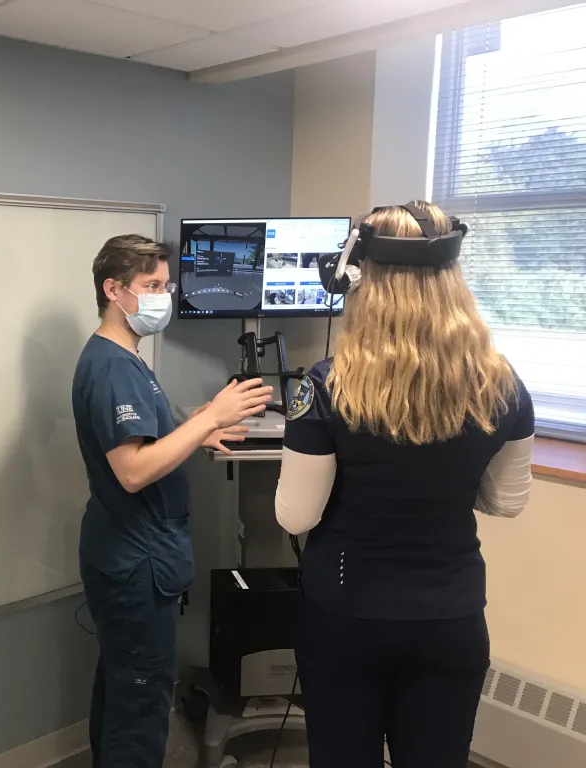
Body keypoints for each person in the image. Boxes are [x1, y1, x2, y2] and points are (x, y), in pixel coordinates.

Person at [274, 202, 535, 768]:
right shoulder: (503, 383)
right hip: (451, 617)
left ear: (362, 277)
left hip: (346, 616)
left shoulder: (326, 386)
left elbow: (296, 517)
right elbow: (508, 502)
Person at [72, 234, 273, 767]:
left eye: (166, 284)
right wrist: (212, 417)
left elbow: (142, 442)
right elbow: (133, 471)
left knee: (121, 687)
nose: (163, 296)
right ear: (114, 290)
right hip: (135, 558)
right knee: (140, 703)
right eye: (151, 286)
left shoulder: (121, 357)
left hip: (129, 552)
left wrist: (193, 429)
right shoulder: (114, 367)